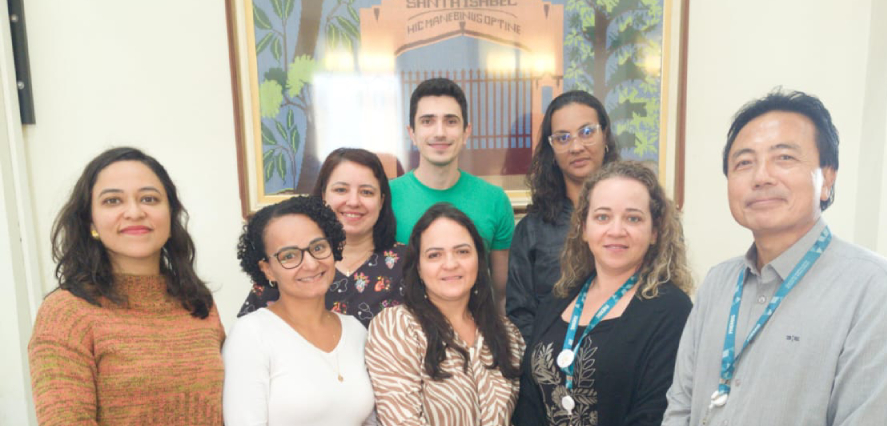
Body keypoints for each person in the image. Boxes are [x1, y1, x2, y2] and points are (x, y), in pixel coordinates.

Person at [645, 90, 887, 426]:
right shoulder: (718, 283)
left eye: (784, 157)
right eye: (744, 163)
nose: (761, 177)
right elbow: (680, 411)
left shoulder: (877, 289)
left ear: (827, 178)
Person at [27, 147, 242, 426]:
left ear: (170, 215)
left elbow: (231, 418)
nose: (134, 212)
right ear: (90, 221)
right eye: (113, 201)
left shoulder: (198, 304)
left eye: (149, 199)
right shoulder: (67, 312)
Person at [516, 161, 693, 426]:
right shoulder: (559, 298)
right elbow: (528, 397)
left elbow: (653, 420)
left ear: (655, 231)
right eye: (602, 216)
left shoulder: (671, 309)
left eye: (633, 218)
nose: (616, 230)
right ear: (584, 228)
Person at [365, 203, 529, 426]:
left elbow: (517, 423)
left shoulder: (507, 333)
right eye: (435, 255)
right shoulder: (395, 325)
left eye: (462, 252)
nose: (450, 264)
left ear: (479, 259)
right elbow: (403, 425)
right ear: (418, 267)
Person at [224, 195, 383, 426]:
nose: (310, 263)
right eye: (289, 255)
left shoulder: (356, 330)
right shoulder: (251, 334)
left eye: (318, 247)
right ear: (267, 269)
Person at [238, 148, 405, 326]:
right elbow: (250, 330)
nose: (354, 202)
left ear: (381, 201)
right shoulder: (288, 261)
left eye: (366, 192)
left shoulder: (409, 263)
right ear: (324, 195)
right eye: (341, 190)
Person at [390, 78, 515, 309]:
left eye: (450, 121)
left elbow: (502, 294)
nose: (440, 132)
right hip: (401, 328)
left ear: (466, 132)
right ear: (412, 133)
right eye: (427, 121)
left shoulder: (494, 200)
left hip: (474, 327)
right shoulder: (386, 198)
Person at [506, 90, 618, 341]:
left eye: (587, 132)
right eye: (563, 138)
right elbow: (520, 316)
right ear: (552, 150)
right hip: (553, 358)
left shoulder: (636, 221)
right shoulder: (532, 230)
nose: (576, 147)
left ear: (605, 135)